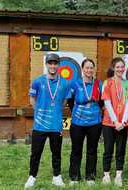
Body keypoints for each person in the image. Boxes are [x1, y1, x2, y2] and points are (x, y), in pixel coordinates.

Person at [24, 53, 71, 188]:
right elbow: (32, 98)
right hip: (40, 124)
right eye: (50, 63)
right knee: (35, 153)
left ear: (58, 65)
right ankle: (32, 177)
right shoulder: (38, 81)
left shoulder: (65, 83)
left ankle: (57, 177)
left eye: (55, 63)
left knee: (56, 153)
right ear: (46, 64)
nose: (52, 66)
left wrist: (55, 112)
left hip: (56, 125)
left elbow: (64, 102)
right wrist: (39, 111)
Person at [68, 58, 103, 186]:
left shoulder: (98, 84)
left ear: (94, 69)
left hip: (95, 123)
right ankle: (74, 177)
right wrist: (78, 113)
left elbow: (102, 102)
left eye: (91, 68)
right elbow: (70, 101)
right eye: (86, 68)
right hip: (78, 123)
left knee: (92, 150)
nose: (89, 70)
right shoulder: (75, 84)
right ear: (82, 69)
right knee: (76, 150)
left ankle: (90, 177)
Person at [101, 57, 128, 187]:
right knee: (108, 149)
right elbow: (107, 103)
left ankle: (118, 175)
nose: (120, 69)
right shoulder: (107, 83)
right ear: (113, 68)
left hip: (123, 123)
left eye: (122, 67)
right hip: (109, 122)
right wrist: (115, 121)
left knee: (121, 149)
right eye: (117, 67)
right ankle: (106, 174)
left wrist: (123, 121)